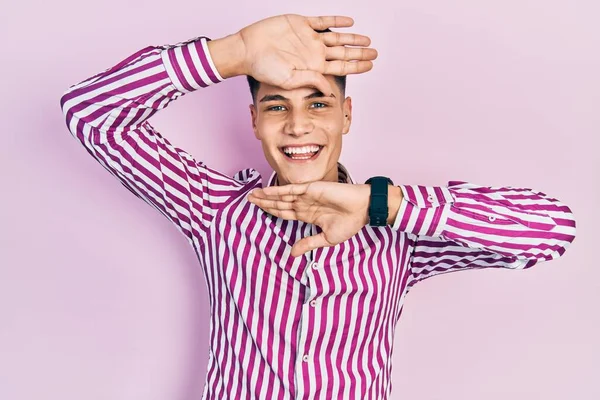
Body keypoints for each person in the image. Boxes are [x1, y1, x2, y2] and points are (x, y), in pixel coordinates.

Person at [59, 13, 577, 400]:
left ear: (346, 115)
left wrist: (381, 205)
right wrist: (233, 52)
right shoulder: (214, 210)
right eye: (276, 105)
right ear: (254, 120)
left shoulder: (400, 233)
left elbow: (552, 229)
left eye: (319, 103)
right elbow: (90, 114)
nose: (298, 126)